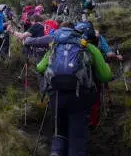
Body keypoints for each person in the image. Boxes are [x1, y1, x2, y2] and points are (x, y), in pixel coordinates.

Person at [37, 21, 112, 156]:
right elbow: (106, 76)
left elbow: (40, 67)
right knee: (77, 138)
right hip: (80, 99)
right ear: (78, 32)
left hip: (57, 96)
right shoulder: (87, 47)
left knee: (59, 132)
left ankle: (56, 152)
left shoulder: (55, 46)